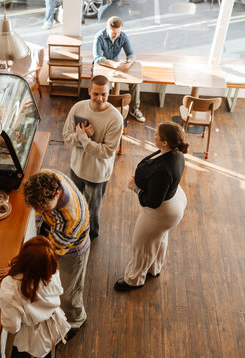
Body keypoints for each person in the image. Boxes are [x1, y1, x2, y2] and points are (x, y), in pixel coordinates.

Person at [114, 122, 188, 291]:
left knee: (142, 244)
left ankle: (134, 279)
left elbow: (153, 202)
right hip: (174, 200)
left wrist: (136, 188)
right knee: (159, 238)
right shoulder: (175, 152)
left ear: (165, 143)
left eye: (157, 135)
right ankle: (154, 268)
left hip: (161, 212)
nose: (154, 136)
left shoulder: (164, 169)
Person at [22, 169, 90, 339]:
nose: (41, 212)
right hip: (57, 232)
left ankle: (76, 321)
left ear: (58, 194)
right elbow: (41, 213)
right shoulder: (46, 176)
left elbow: (53, 251)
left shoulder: (71, 219)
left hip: (73, 250)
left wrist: (23, 265)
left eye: (45, 208)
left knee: (69, 292)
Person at [62, 75, 123, 240]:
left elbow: (107, 152)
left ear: (109, 92)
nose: (100, 98)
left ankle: (90, 237)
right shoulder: (78, 108)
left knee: (92, 210)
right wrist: (81, 138)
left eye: (104, 94)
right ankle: (74, 232)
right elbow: (67, 136)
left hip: (96, 175)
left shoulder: (115, 119)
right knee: (74, 203)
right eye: (96, 93)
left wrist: (83, 139)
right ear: (89, 91)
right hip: (76, 167)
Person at [0, 236, 71, 358]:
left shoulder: (11, 286)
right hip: (54, 327)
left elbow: (13, 326)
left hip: (30, 342)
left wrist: (5, 306)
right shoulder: (51, 271)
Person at [93, 16, 146, 123]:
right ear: (107, 28)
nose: (115, 35)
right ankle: (99, 108)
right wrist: (114, 64)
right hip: (103, 66)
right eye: (113, 32)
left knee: (135, 82)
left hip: (116, 66)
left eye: (118, 32)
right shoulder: (99, 37)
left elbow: (131, 54)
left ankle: (134, 108)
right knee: (101, 84)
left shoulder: (123, 36)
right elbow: (98, 58)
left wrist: (130, 62)